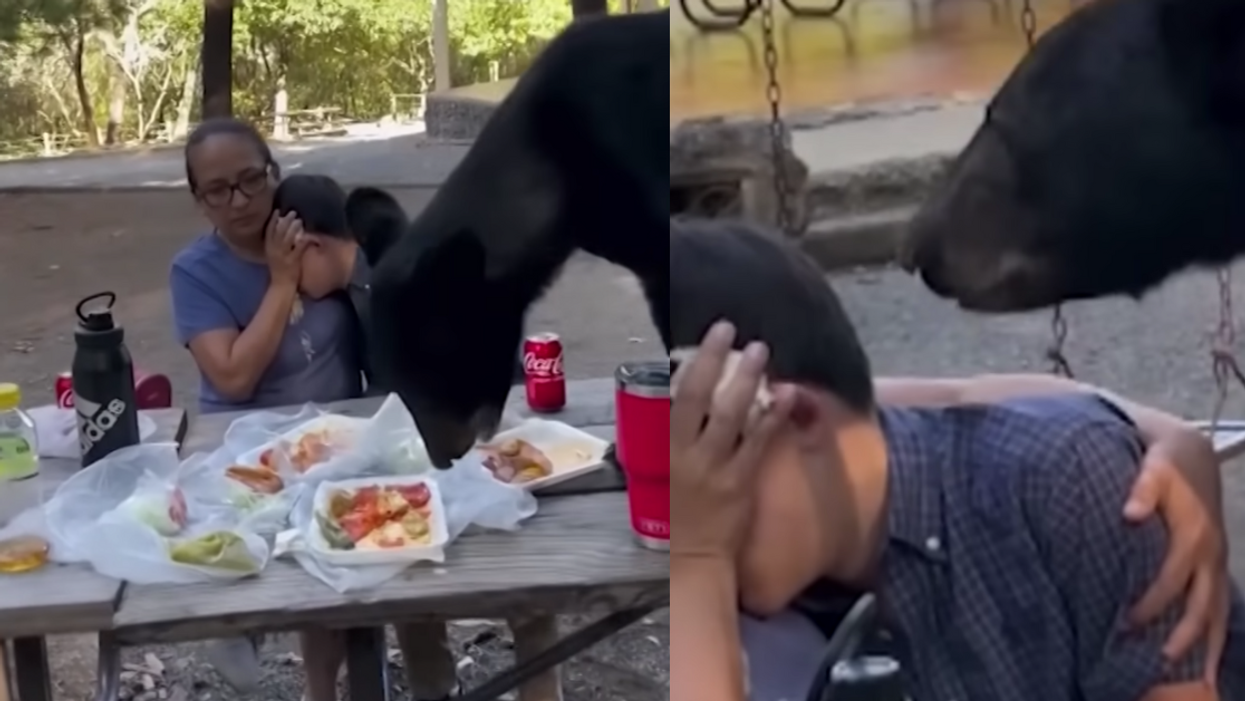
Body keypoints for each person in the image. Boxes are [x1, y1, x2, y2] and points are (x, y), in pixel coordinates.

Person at [668, 219, 1240, 701]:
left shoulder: (1071, 486)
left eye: (713, 460)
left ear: (795, 416)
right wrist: (697, 560)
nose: (695, 511)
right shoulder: (727, 568)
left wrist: (1165, 435)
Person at [168, 121, 457, 701]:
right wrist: (280, 282)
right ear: (200, 202)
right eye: (219, 190)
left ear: (274, 172)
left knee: (395, 536)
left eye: (251, 179)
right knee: (289, 556)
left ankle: (432, 675)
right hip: (247, 444)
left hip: (341, 434)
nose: (241, 200)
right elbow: (232, 375)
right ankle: (306, 677)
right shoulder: (196, 272)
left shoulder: (319, 226)